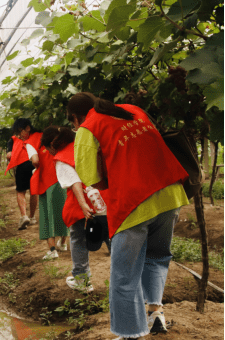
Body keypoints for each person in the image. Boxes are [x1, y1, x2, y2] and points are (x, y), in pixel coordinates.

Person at [70, 92, 189, 339]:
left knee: (124, 275)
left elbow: (91, 179)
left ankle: (130, 334)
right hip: (169, 193)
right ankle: (155, 312)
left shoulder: (87, 128)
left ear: (74, 117)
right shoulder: (133, 110)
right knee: (156, 257)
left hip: (133, 204)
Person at [41, 126, 111, 293]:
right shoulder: (82, 145)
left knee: (78, 238)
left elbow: (74, 181)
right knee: (111, 235)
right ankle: (127, 277)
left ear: (52, 144)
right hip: (103, 197)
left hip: (85, 202)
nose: (49, 153)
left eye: (47, 149)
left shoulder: (61, 157)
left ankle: (82, 279)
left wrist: (82, 204)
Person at [26, 127, 68, 260]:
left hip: (47, 183)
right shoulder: (63, 146)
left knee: (47, 217)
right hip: (64, 182)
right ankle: (63, 243)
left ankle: (52, 250)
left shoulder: (33, 144)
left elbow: (35, 160)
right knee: (64, 214)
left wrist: (37, 168)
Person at [5, 118, 40, 230]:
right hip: (33, 167)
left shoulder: (15, 140)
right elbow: (9, 153)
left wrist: (10, 154)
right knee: (32, 191)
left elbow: (8, 154)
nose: (21, 134)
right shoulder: (15, 140)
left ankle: (25, 216)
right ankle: (30, 216)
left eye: (28, 131)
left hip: (26, 167)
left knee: (22, 192)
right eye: (25, 131)